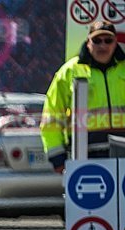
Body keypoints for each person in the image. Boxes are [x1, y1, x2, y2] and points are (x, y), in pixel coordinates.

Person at [40, 21, 125, 173]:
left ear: (115, 43)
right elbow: (52, 115)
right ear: (88, 42)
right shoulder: (69, 72)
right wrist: (57, 156)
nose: (103, 45)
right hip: (84, 156)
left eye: (108, 40)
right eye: (97, 40)